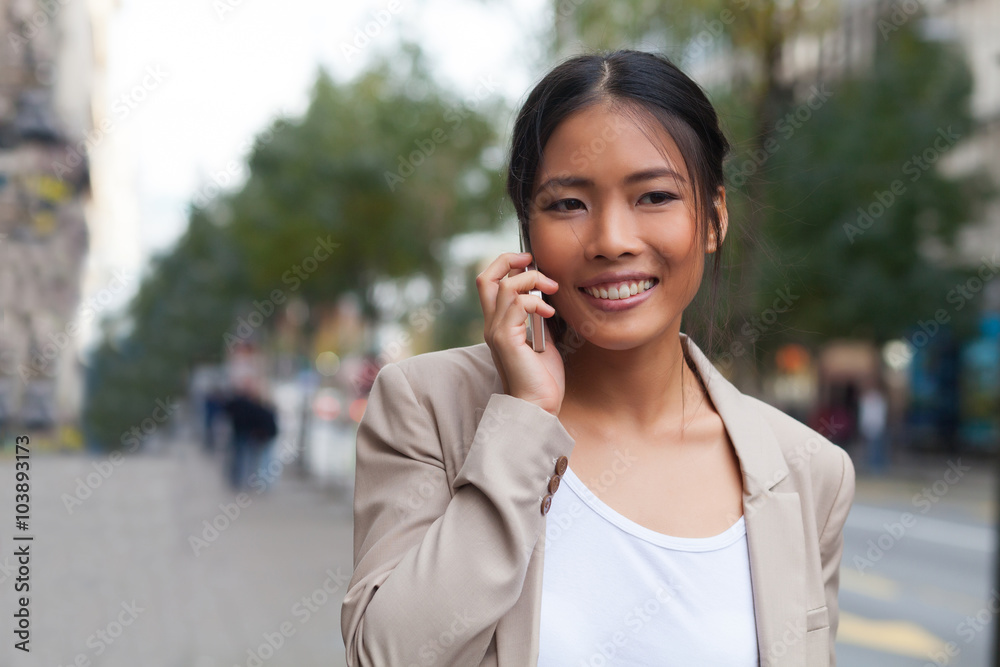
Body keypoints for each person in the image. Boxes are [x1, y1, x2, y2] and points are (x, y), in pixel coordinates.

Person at [341, 49, 855, 666]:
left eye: (655, 196)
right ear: (527, 232)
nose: (611, 240)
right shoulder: (426, 406)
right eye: (567, 205)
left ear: (714, 217)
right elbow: (387, 657)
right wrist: (524, 416)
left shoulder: (809, 472)